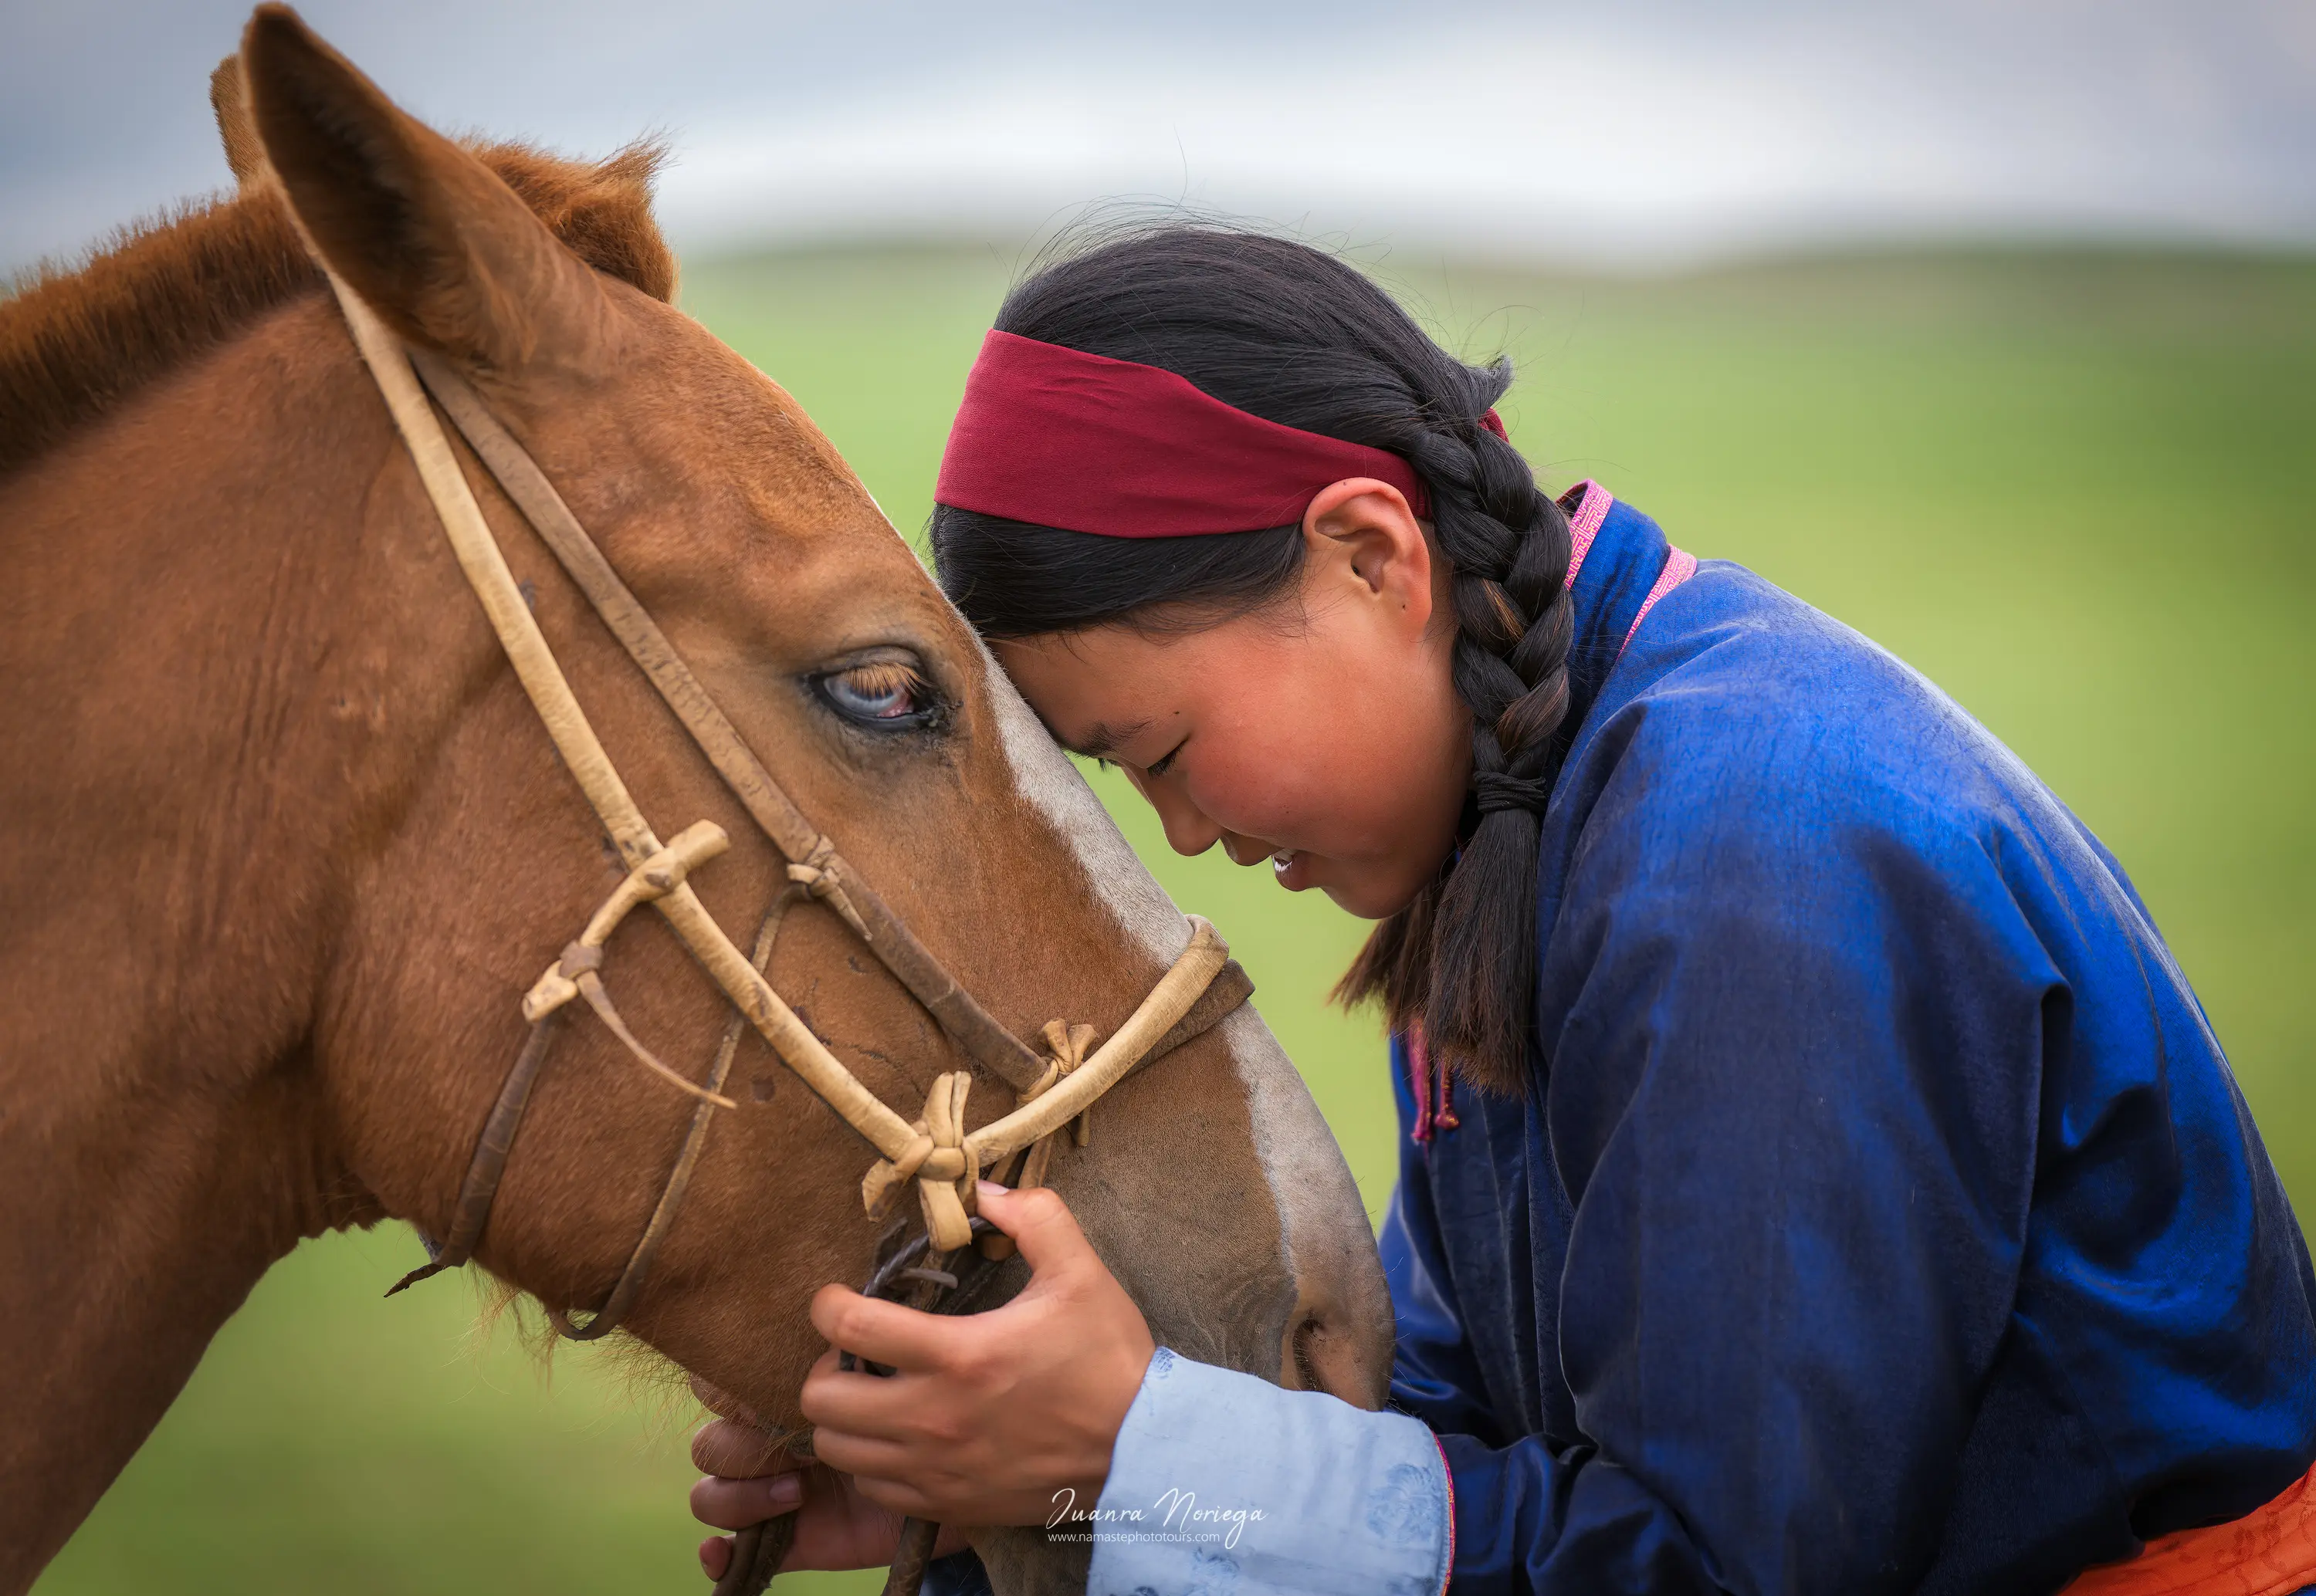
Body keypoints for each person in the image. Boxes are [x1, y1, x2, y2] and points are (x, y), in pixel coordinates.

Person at [689, 228, 2316, 1595]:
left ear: (1367, 553)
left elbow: (1729, 1562)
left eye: (1164, 751)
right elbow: (1461, 1441)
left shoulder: (1746, 858)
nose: (1186, 832)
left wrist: (1140, 1447)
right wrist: (1016, 1484)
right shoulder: (1528, 819)